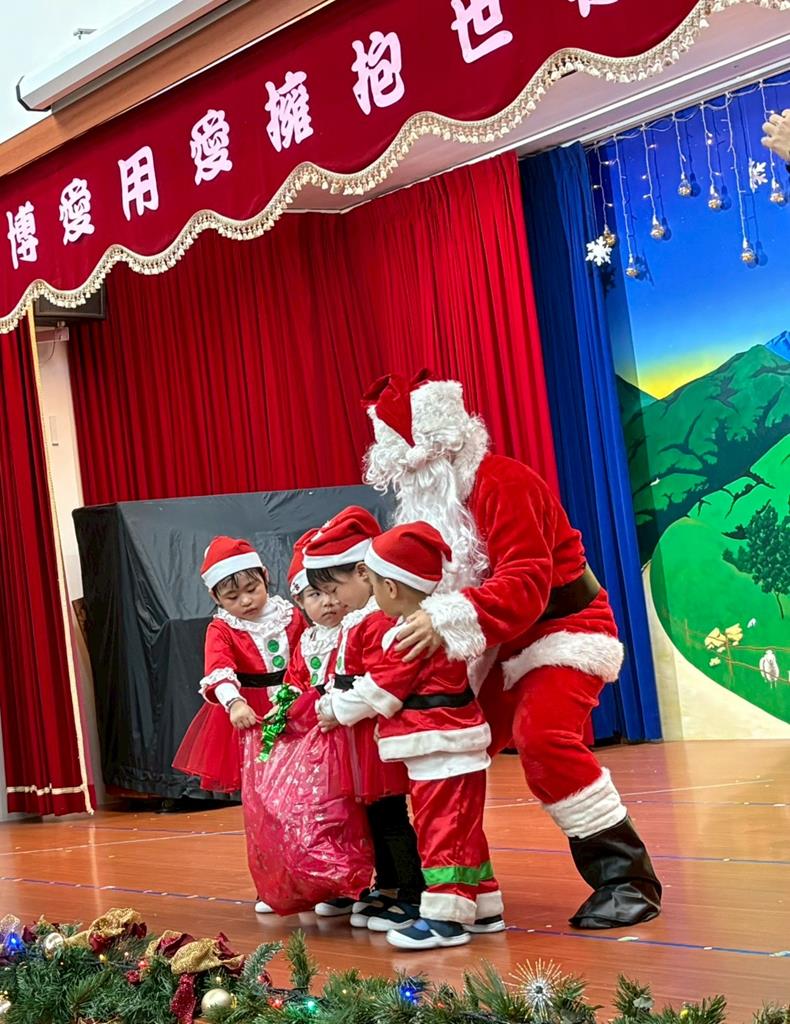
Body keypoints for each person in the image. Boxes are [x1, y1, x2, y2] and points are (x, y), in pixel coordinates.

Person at [361, 372, 662, 930]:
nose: (413, 480)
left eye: (419, 467)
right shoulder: (429, 507)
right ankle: (464, 890)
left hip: (564, 628)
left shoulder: (505, 483)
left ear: (444, 450)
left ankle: (627, 880)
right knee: (449, 748)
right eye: (406, 472)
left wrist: (443, 617)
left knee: (542, 737)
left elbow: (525, 585)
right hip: (490, 642)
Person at [319, 521, 503, 950]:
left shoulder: (410, 634)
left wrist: (334, 708)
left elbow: (381, 689)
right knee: (463, 830)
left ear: (391, 588)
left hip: (440, 745)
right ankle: (483, 905)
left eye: (372, 582)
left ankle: (445, 917)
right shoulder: (431, 624)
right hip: (448, 746)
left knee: (441, 831)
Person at [303, 507, 425, 931]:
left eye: (335, 589)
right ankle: (388, 886)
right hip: (357, 737)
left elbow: (378, 681)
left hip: (374, 735)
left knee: (391, 817)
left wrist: (336, 708)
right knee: (374, 816)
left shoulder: (375, 619)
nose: (333, 600)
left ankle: (413, 893)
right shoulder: (357, 618)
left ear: (361, 573)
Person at [172, 535, 304, 914]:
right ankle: (273, 886)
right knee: (264, 807)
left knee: (306, 798)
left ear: (265, 577)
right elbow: (218, 668)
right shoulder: (222, 628)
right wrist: (234, 701)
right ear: (215, 597)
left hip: (297, 710)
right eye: (233, 597)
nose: (246, 601)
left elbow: (306, 654)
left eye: (252, 589)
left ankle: (318, 879)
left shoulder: (291, 615)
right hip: (254, 717)